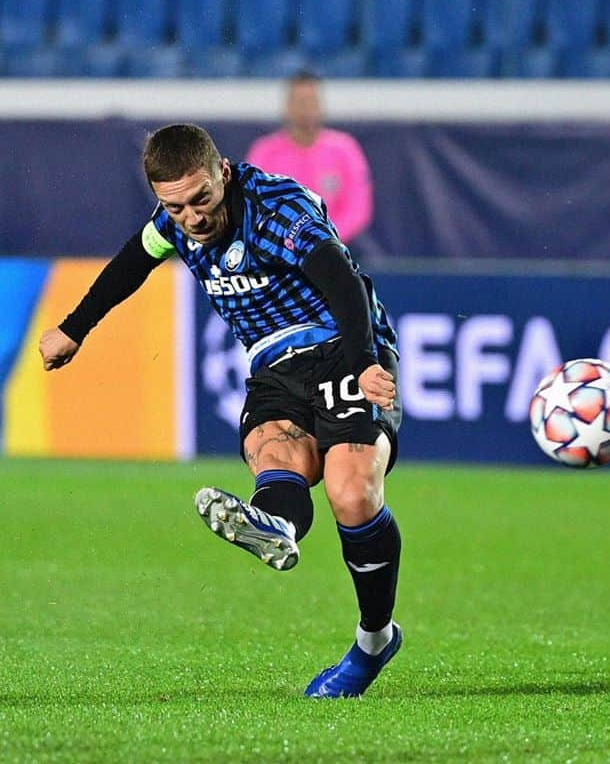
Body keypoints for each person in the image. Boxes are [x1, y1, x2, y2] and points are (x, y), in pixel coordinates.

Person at [39, 124, 405, 699]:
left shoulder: (278, 209)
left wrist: (363, 361)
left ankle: (374, 640)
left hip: (340, 344)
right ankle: (277, 527)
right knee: (277, 458)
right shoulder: (174, 221)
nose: (193, 218)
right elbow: (134, 261)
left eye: (202, 200)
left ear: (223, 174)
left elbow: (342, 281)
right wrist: (74, 327)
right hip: (273, 365)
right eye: (176, 206)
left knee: (352, 494)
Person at [246, 70, 374, 249]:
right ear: (287, 106)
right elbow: (253, 204)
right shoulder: (265, 152)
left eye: (310, 101)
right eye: (299, 102)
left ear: (321, 105)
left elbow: (358, 210)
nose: (305, 109)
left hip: (334, 251)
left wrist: (322, 238)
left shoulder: (345, 149)